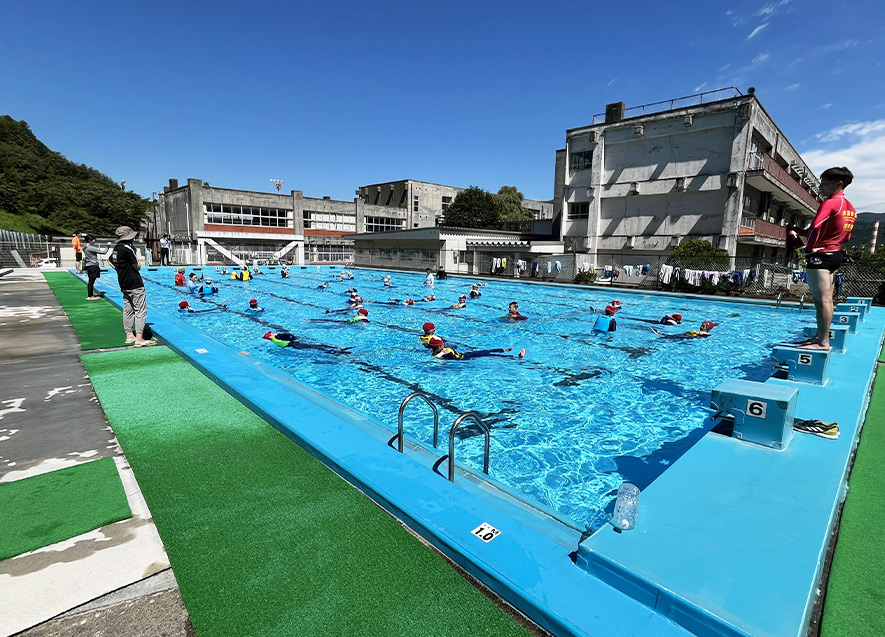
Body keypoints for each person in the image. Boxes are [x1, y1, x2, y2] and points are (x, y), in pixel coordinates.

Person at [795, 167, 857, 351]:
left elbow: (816, 226)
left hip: (821, 256)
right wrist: (803, 233)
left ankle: (823, 342)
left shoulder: (830, 203)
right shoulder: (851, 208)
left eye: (824, 183)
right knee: (827, 299)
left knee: (821, 300)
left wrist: (809, 248)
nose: (820, 187)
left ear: (838, 184)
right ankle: (819, 336)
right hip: (835, 255)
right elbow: (846, 237)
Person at [108, 226, 155, 347]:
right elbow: (137, 267)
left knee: (128, 309)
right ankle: (139, 338)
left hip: (123, 283)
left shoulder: (116, 249)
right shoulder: (128, 250)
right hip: (135, 283)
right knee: (140, 310)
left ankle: (129, 335)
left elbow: (109, 261)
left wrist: (120, 270)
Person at [427, 335, 526, 360]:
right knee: (489, 356)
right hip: (466, 358)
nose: (444, 345)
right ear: (439, 346)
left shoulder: (440, 351)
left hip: (466, 355)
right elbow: (453, 360)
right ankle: (516, 357)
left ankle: (505, 350)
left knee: (486, 351)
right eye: (442, 345)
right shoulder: (441, 355)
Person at [262, 332, 352, 355]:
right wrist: (276, 335)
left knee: (319, 348)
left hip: (296, 345)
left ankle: (337, 351)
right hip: (297, 345)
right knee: (319, 347)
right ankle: (338, 349)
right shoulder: (275, 338)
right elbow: (290, 337)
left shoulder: (276, 340)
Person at [82, 234, 111, 300]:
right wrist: (108, 246)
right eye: (93, 239)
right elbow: (103, 252)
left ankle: (90, 295)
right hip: (93, 265)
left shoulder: (85, 247)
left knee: (91, 281)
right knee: (91, 281)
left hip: (89, 265)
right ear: (89, 240)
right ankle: (90, 296)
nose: (94, 241)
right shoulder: (90, 247)